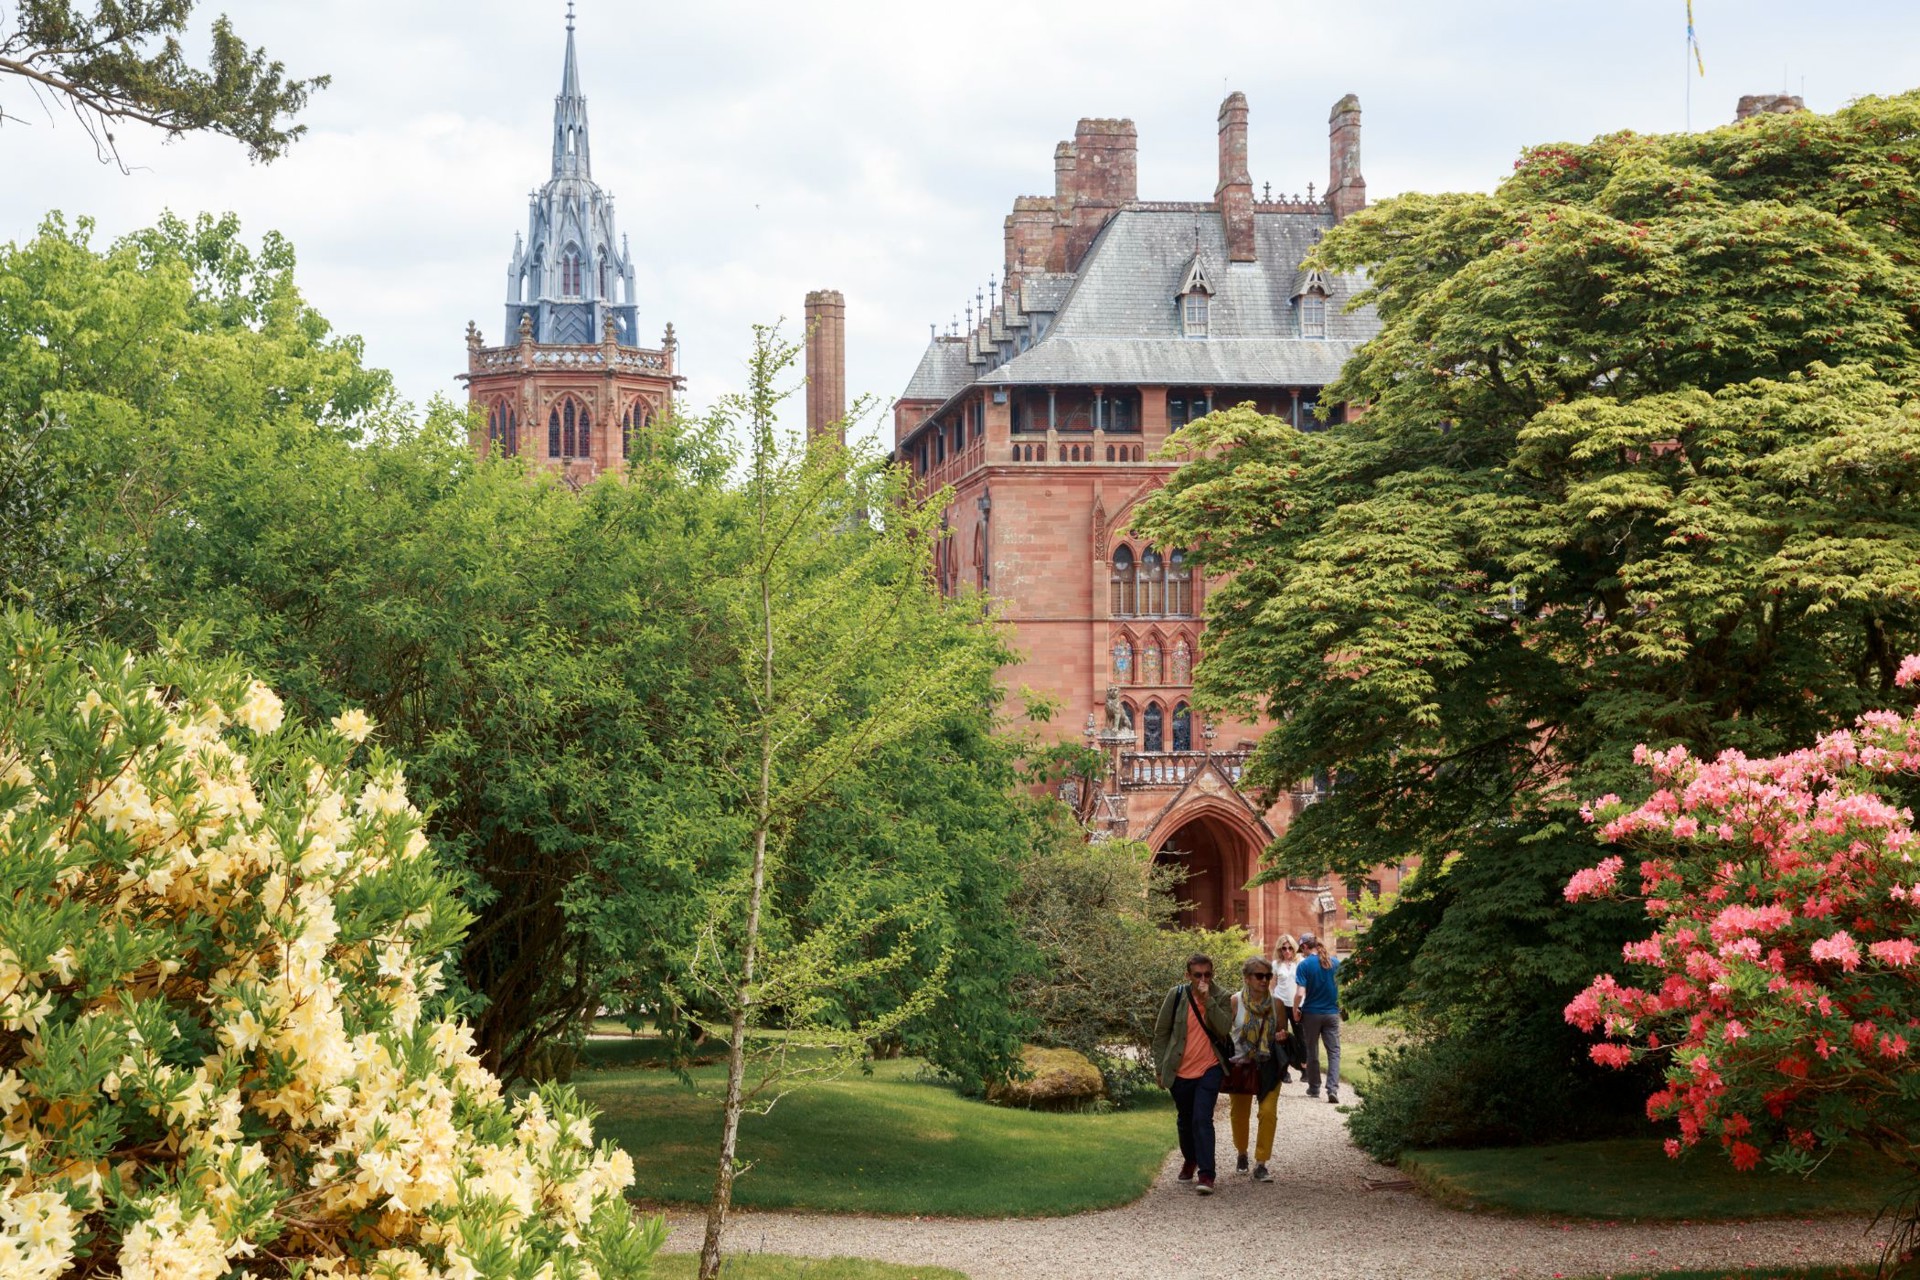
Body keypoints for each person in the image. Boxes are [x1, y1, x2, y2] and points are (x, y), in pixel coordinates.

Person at [1152, 952, 1234, 1194]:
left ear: (1213, 974)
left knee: (1202, 1118)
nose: (1203, 979)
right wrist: (1159, 1068)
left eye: (1207, 975)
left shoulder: (1222, 996)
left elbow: (1224, 1028)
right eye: (1197, 975)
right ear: (1188, 975)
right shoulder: (1176, 995)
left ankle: (1207, 1174)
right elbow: (1161, 1033)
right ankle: (1190, 1159)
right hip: (1180, 1070)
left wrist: (1207, 1000)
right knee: (1185, 1119)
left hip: (1210, 1067)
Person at [1227, 955, 1286, 1181]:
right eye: (1259, 976)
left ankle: (1261, 1163)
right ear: (1247, 978)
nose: (1264, 981)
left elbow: (1282, 1032)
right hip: (1241, 1065)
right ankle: (1242, 1152)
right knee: (1240, 1114)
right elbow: (1224, 1033)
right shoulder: (1234, 1002)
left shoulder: (1277, 1004)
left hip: (1268, 1066)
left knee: (1268, 1112)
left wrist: (1281, 1036)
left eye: (1268, 976)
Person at [1293, 933, 1343, 1104]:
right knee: (1334, 1052)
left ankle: (1314, 1087)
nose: (1302, 953)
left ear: (1306, 947)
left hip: (1312, 1014)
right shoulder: (1335, 962)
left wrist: (1295, 1009)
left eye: (1302, 949)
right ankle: (1332, 1089)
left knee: (1312, 1050)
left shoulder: (1304, 965)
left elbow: (1300, 993)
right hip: (1332, 1013)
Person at [1270, 934, 1302, 1084]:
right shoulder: (1276, 964)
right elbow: (1272, 985)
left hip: (1296, 1005)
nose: (1287, 951)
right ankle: (1284, 1071)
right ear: (1280, 949)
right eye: (1284, 948)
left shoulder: (1300, 962)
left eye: (1290, 948)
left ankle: (1303, 1067)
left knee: (1300, 1036)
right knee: (1281, 1037)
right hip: (1280, 1005)